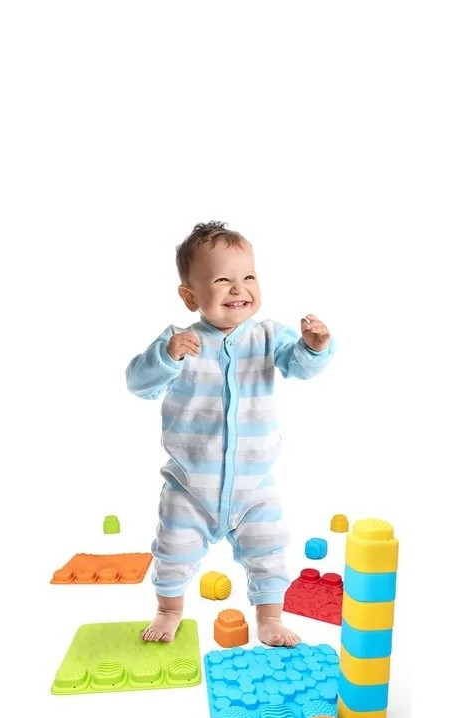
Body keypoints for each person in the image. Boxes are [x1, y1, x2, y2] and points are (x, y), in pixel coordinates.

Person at [125, 221, 335, 645]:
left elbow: (299, 366)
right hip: (190, 484)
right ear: (190, 296)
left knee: (269, 548)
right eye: (223, 280)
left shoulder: (269, 336)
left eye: (249, 277)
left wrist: (314, 347)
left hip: (253, 485)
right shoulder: (181, 342)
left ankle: (270, 618)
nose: (239, 289)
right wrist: (166, 357)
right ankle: (168, 610)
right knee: (173, 549)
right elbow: (138, 383)